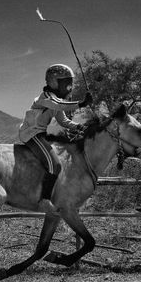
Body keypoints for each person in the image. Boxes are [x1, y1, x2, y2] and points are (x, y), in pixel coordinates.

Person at [17, 63, 92, 213]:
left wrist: (80, 127)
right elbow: (59, 105)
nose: (69, 87)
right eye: (66, 83)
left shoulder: (57, 101)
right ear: (53, 82)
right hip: (31, 134)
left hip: (40, 133)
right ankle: (44, 200)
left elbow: (63, 121)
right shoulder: (45, 98)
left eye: (70, 82)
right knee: (55, 165)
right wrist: (82, 103)